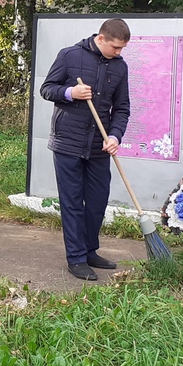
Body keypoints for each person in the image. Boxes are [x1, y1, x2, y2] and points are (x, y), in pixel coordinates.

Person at [39, 18, 132, 281]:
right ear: (101, 39)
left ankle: (90, 251)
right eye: (115, 47)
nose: (119, 52)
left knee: (97, 201)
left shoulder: (120, 67)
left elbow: (122, 108)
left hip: (99, 145)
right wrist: (71, 92)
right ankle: (77, 258)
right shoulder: (69, 56)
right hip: (68, 142)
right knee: (72, 202)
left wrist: (114, 136)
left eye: (122, 48)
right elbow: (47, 89)